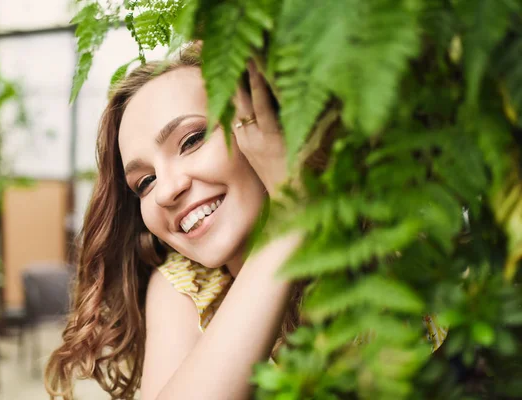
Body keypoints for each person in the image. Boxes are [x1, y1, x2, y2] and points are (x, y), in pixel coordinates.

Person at [45, 44, 445, 400]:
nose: (165, 190)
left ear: (265, 123)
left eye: (192, 140)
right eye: (144, 182)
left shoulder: (389, 249)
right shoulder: (186, 285)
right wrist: (290, 217)